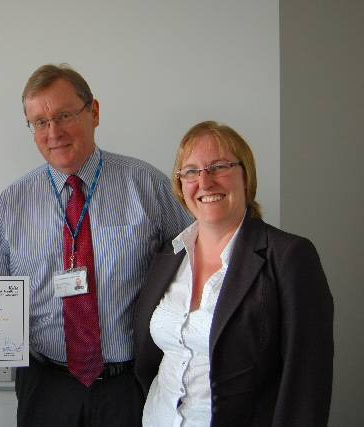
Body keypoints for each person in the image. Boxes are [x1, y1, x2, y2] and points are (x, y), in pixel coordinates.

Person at [0, 64, 192, 427]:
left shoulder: (147, 186)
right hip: (46, 386)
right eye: (40, 122)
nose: (54, 132)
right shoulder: (12, 203)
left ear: (94, 112)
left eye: (64, 115)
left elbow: (197, 262)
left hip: (129, 386)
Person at [133, 121, 334, 426]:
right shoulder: (168, 256)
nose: (205, 181)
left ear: (246, 176)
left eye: (218, 167)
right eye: (191, 171)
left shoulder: (289, 257)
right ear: (180, 185)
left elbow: (307, 379)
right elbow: (152, 361)